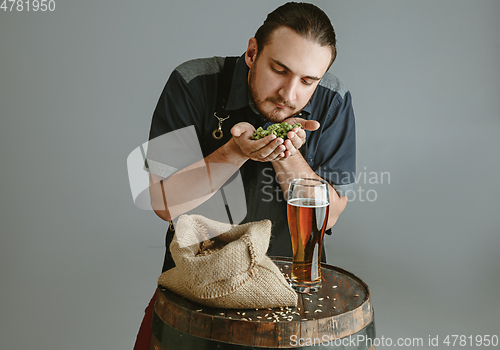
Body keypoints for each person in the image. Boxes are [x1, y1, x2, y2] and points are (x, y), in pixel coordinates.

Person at [134, 2, 356, 349]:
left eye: (308, 80)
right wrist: (235, 152)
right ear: (252, 52)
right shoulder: (193, 82)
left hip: (292, 294)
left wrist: (287, 152)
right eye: (279, 70)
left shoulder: (333, 99)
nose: (289, 93)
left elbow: (329, 216)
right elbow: (163, 203)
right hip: (198, 290)